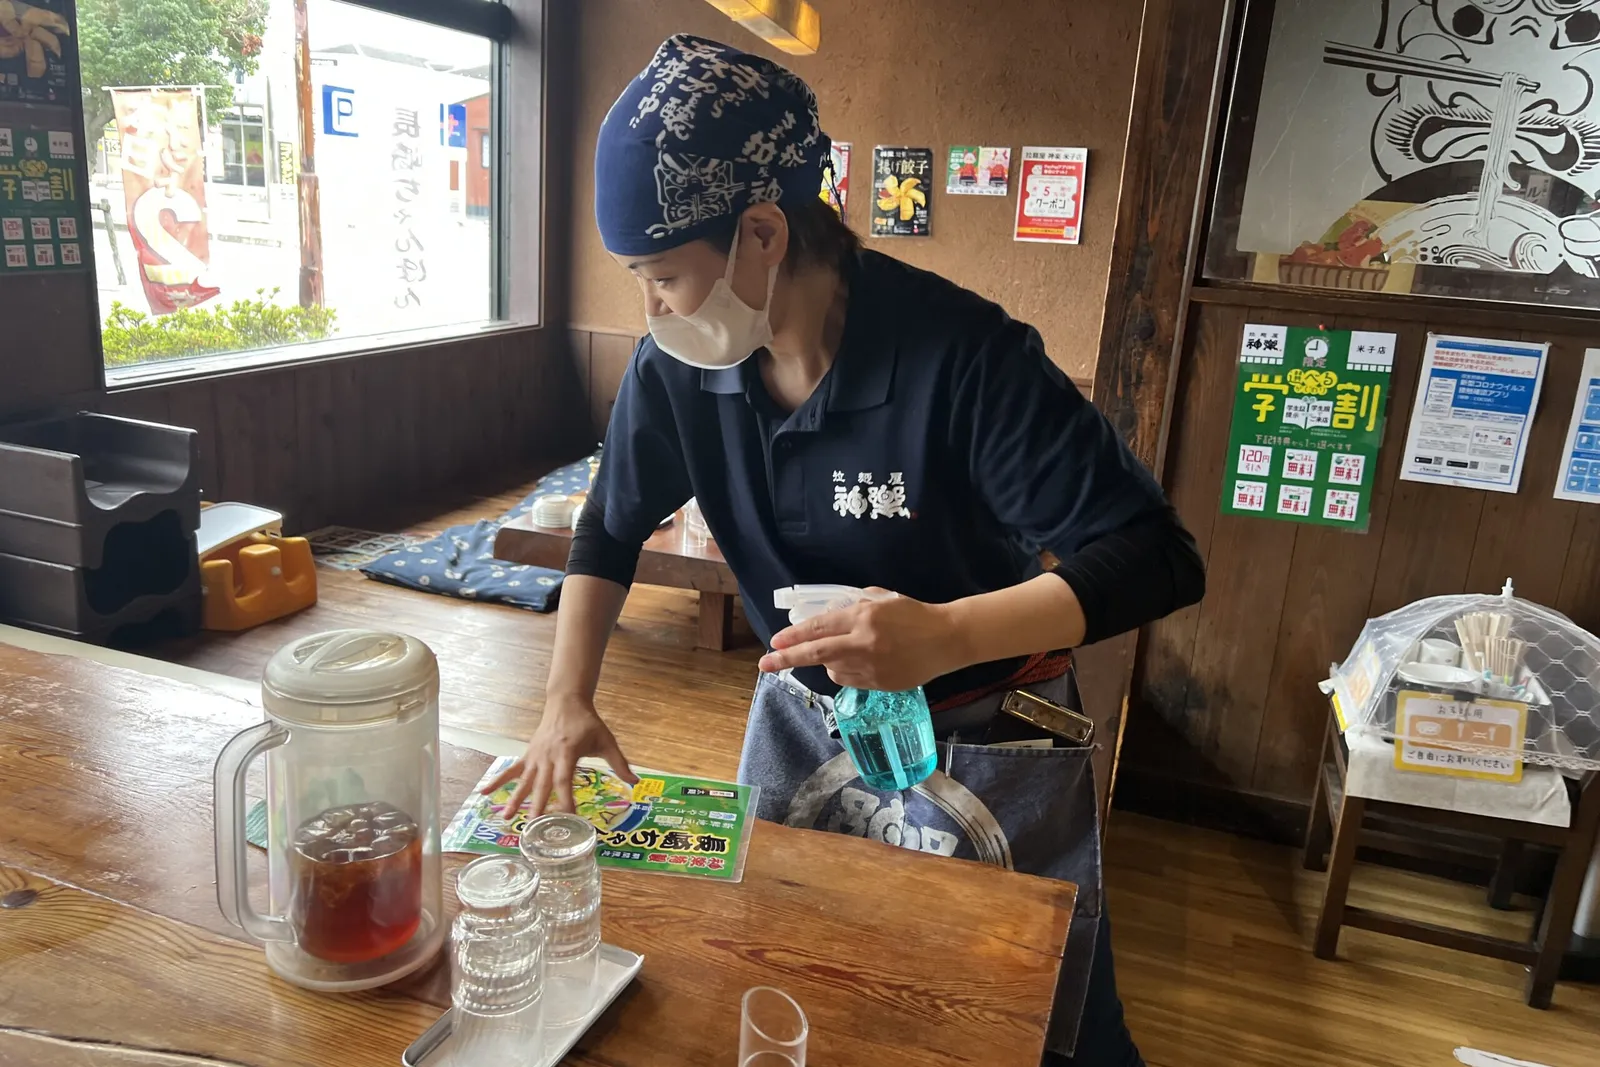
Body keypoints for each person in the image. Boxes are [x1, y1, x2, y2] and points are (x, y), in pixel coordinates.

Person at [487, 34, 1204, 1067]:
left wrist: (945, 633)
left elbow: (1157, 555)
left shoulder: (964, 359)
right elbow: (610, 524)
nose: (651, 309)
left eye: (664, 276)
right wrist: (567, 697)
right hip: (805, 713)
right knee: (786, 966)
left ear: (762, 232)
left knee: (1040, 1015)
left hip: (989, 724)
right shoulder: (678, 368)